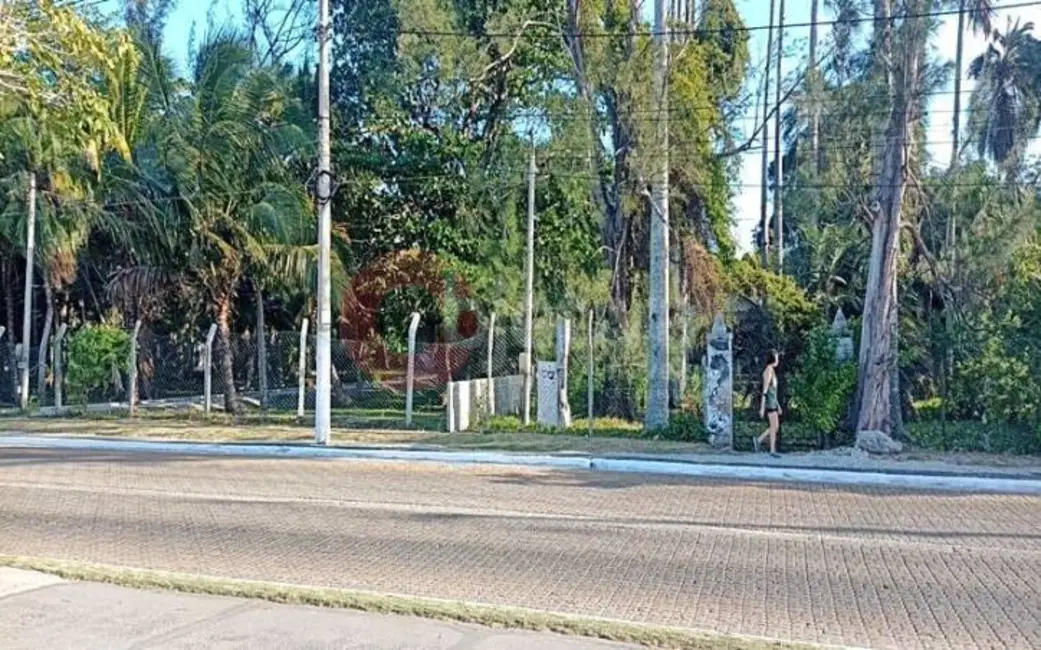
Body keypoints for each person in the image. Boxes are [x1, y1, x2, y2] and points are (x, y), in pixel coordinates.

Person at [755, 349, 782, 457]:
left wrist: (778, 405)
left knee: (775, 426)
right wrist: (762, 407)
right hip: (769, 403)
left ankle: (760, 440)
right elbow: (765, 391)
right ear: (773, 359)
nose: (778, 360)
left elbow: (773, 391)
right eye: (777, 358)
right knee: (774, 426)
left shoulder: (772, 371)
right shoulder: (768, 371)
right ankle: (772, 450)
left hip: (773, 401)